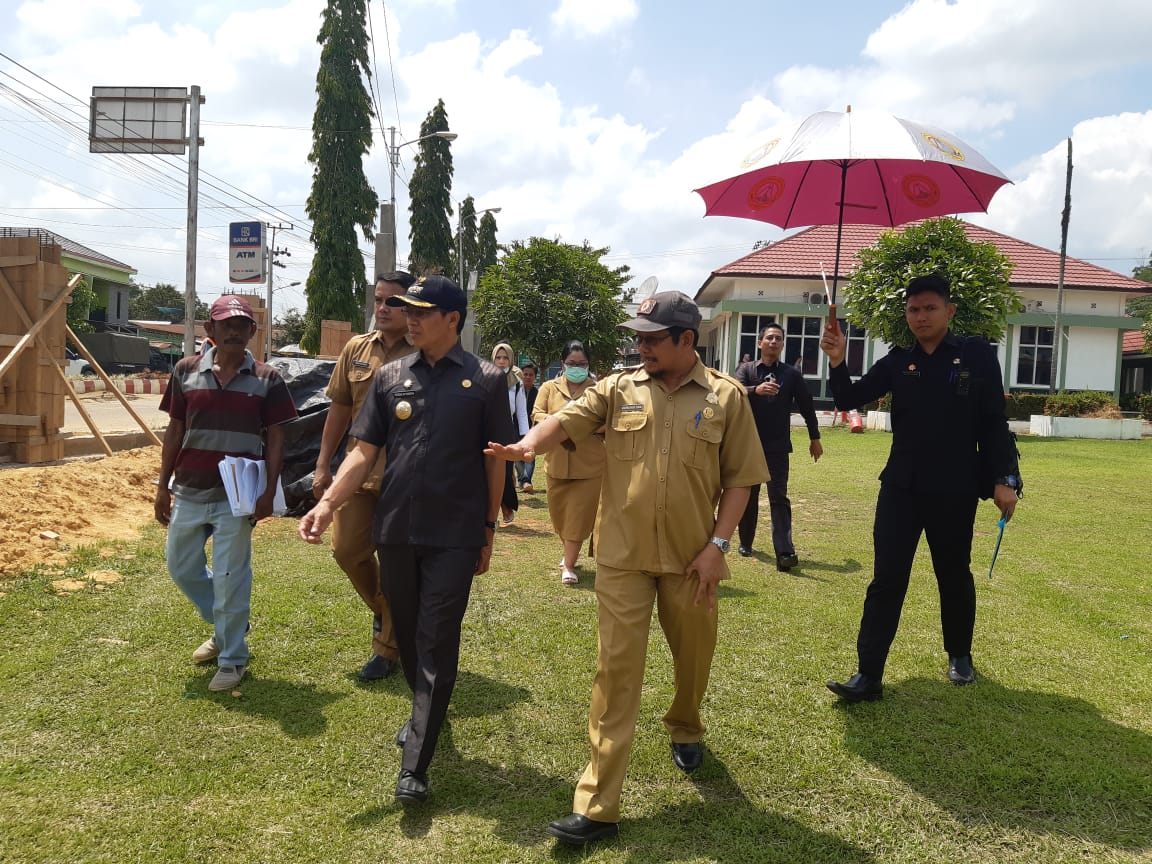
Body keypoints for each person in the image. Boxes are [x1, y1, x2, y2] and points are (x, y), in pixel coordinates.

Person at [487, 291, 768, 846]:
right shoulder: (616, 389)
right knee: (615, 675)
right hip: (621, 557)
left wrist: (718, 545)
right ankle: (597, 805)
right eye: (637, 337)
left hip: (694, 559)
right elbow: (565, 422)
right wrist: (525, 447)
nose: (640, 346)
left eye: (652, 338)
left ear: (687, 340)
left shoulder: (726, 397)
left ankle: (685, 723)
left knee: (693, 657)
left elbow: (741, 479)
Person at [299, 276, 514, 805]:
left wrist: (488, 527)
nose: (409, 318)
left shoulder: (486, 381)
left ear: (453, 320)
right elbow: (363, 451)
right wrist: (328, 503)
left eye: (421, 311)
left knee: (437, 638)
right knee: (412, 636)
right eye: (406, 310)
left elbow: (496, 462)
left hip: (455, 534)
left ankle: (414, 766)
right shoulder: (391, 376)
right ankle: (423, 709)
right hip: (395, 529)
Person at [819, 274, 1020, 702]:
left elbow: (993, 421)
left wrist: (1004, 479)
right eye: (913, 310)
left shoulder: (977, 355)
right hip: (901, 489)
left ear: (949, 311)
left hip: (956, 487)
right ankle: (868, 674)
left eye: (930, 308)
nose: (921, 316)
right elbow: (848, 398)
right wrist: (838, 360)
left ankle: (959, 655)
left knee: (953, 573)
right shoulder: (897, 362)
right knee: (887, 579)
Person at [155, 295, 298, 692]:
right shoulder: (185, 371)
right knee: (180, 567)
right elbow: (174, 431)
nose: (235, 331)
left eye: (242, 325)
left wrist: (269, 491)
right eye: (226, 324)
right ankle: (225, 624)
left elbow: (276, 439)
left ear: (253, 332)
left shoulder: (269, 378)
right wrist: (162, 486)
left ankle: (233, 657)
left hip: (237, 495)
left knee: (232, 576)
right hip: (188, 488)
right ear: (210, 330)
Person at [312, 271, 417, 681]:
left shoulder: (422, 352)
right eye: (378, 300)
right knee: (346, 550)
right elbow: (338, 408)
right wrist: (323, 464)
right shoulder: (357, 348)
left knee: (396, 562)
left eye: (393, 301)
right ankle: (385, 610)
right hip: (357, 471)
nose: (383, 308)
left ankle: (386, 648)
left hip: (405, 475)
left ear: (412, 308)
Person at [734, 322, 823, 569]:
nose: (774, 342)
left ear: (782, 345)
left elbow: (806, 405)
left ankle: (784, 552)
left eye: (778, 339)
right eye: (770, 338)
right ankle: (746, 541)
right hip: (749, 445)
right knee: (748, 496)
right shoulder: (746, 369)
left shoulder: (791, 375)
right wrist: (756, 389)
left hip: (778, 447)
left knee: (778, 497)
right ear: (760, 342)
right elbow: (733, 391)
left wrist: (814, 438)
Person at [532, 341, 604, 585]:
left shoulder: (598, 389)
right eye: (572, 364)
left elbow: (607, 420)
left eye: (582, 364)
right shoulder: (549, 388)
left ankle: (569, 565)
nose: (577, 368)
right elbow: (537, 414)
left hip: (590, 465)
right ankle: (568, 553)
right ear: (562, 364)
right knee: (561, 517)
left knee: (577, 517)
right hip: (557, 463)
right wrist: (563, 421)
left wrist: (578, 426)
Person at [491, 342, 529, 523]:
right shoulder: (484, 377)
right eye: (498, 358)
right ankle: (491, 514)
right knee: (486, 472)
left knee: (505, 473)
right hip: (488, 428)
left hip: (507, 430)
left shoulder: (516, 381)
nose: (501, 361)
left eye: (505, 358)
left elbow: (521, 410)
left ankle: (506, 506)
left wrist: (525, 437)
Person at [515, 361, 539, 492]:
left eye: (531, 375)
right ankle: (521, 479)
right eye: (525, 374)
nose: (527, 377)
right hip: (516, 428)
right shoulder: (516, 391)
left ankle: (526, 480)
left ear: (535, 377)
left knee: (530, 455)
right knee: (518, 455)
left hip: (532, 430)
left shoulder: (538, 393)